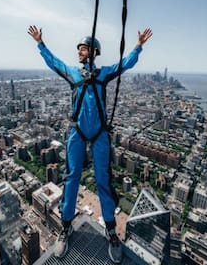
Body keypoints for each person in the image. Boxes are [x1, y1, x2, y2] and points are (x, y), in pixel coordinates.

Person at [28, 25, 152, 263]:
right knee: (72, 177)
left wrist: (138, 46)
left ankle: (111, 230)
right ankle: (65, 228)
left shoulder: (103, 74)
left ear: (93, 52)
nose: (78, 52)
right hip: (77, 132)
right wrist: (40, 44)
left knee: (103, 180)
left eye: (82, 49)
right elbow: (55, 63)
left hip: (99, 134)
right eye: (79, 49)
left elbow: (123, 65)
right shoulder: (74, 74)